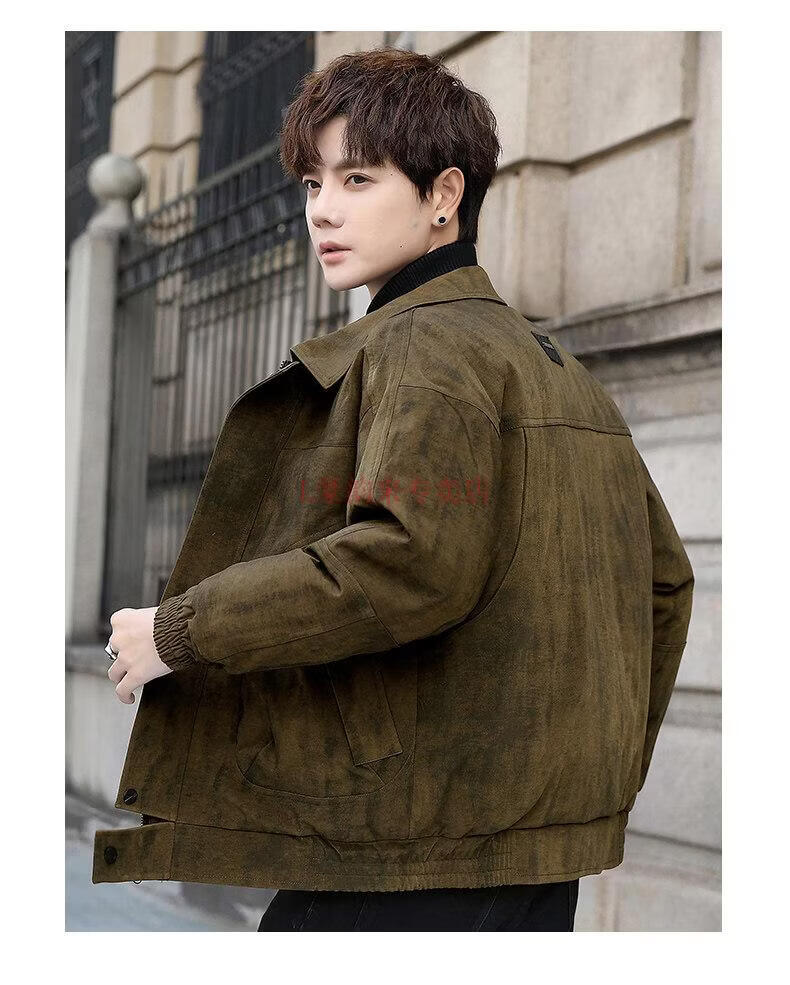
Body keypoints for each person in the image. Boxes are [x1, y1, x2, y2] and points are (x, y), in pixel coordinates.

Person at [95, 49, 694, 933]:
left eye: (358, 178)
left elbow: (405, 560)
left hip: (404, 853)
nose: (322, 209)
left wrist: (178, 632)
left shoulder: (422, 345)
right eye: (312, 183)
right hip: (530, 857)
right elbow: (666, 584)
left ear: (444, 194)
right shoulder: (560, 372)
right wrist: (581, 784)